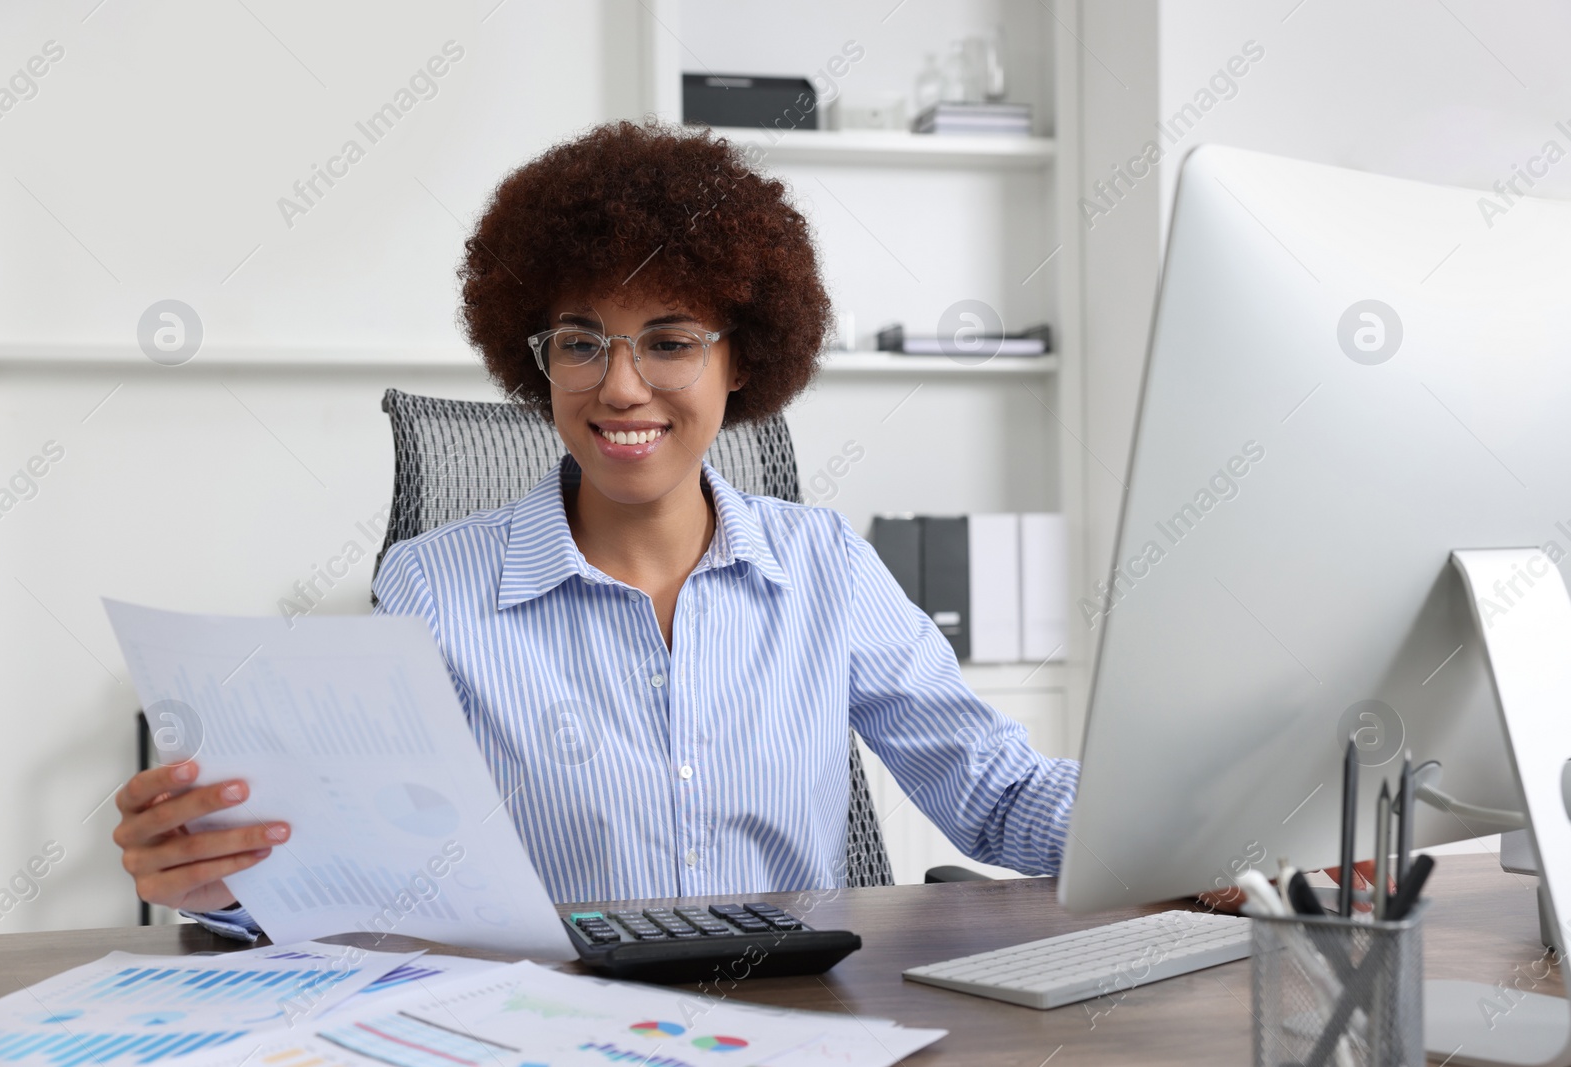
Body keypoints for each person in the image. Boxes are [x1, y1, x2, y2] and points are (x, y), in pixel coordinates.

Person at [111, 120, 1079, 940]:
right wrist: (226, 885)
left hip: (793, 1025)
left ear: (738, 360)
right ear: (538, 360)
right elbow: (363, 871)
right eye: (581, 341)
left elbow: (994, 791)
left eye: (668, 340)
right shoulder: (430, 589)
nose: (620, 385)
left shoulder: (825, 567)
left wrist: (1190, 830)